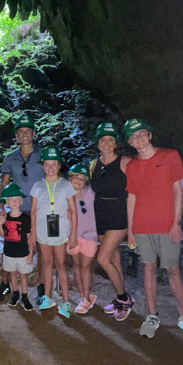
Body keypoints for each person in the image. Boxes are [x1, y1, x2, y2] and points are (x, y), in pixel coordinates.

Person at [123, 118, 183, 342]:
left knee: (173, 270)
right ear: (130, 142)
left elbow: (178, 190)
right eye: (133, 136)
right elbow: (132, 197)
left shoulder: (169, 156)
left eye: (141, 133)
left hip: (167, 225)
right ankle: (152, 315)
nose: (138, 138)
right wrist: (130, 230)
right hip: (142, 226)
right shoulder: (132, 166)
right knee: (148, 268)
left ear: (149, 135)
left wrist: (176, 223)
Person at [0, 113, 46, 304]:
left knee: (41, 249)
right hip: (16, 211)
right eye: (21, 131)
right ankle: (5, 283)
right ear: (16, 135)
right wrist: (2, 208)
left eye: (28, 130)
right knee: (9, 247)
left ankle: (42, 286)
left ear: (34, 133)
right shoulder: (10, 158)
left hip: (39, 209)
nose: (24, 134)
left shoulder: (43, 155)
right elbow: (3, 184)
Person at [89, 122, 135, 320]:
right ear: (98, 143)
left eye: (110, 139)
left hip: (118, 215)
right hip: (99, 215)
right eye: (102, 139)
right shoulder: (93, 164)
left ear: (115, 142)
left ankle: (124, 299)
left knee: (102, 258)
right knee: (114, 258)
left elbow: (145, 180)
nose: (106, 143)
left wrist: (182, 184)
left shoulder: (126, 162)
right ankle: (120, 298)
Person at [30, 146, 78, 319]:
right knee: (47, 263)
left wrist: (73, 234)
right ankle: (48, 297)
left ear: (59, 166)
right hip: (43, 231)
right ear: (43, 166)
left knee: (60, 264)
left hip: (60, 232)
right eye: (47, 164)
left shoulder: (66, 185)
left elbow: (73, 210)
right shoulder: (37, 186)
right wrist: (33, 231)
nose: (50, 168)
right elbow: (34, 210)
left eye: (54, 164)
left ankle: (65, 301)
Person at [0, 184, 34, 311]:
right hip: (9, 252)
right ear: (6, 202)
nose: (14, 202)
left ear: (21, 201)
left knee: (23, 275)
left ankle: (25, 296)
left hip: (23, 252)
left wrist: (30, 253)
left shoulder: (25, 218)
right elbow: (3, 235)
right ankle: (15, 293)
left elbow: (30, 237)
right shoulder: (5, 217)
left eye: (17, 199)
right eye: (11, 200)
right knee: (13, 273)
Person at [67, 164, 98, 314]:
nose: (79, 181)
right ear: (69, 178)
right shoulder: (65, 195)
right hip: (72, 235)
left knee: (86, 266)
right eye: (76, 178)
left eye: (83, 179)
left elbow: (98, 180)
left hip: (90, 235)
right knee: (76, 265)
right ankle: (83, 294)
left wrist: (94, 168)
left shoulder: (89, 193)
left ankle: (85, 299)